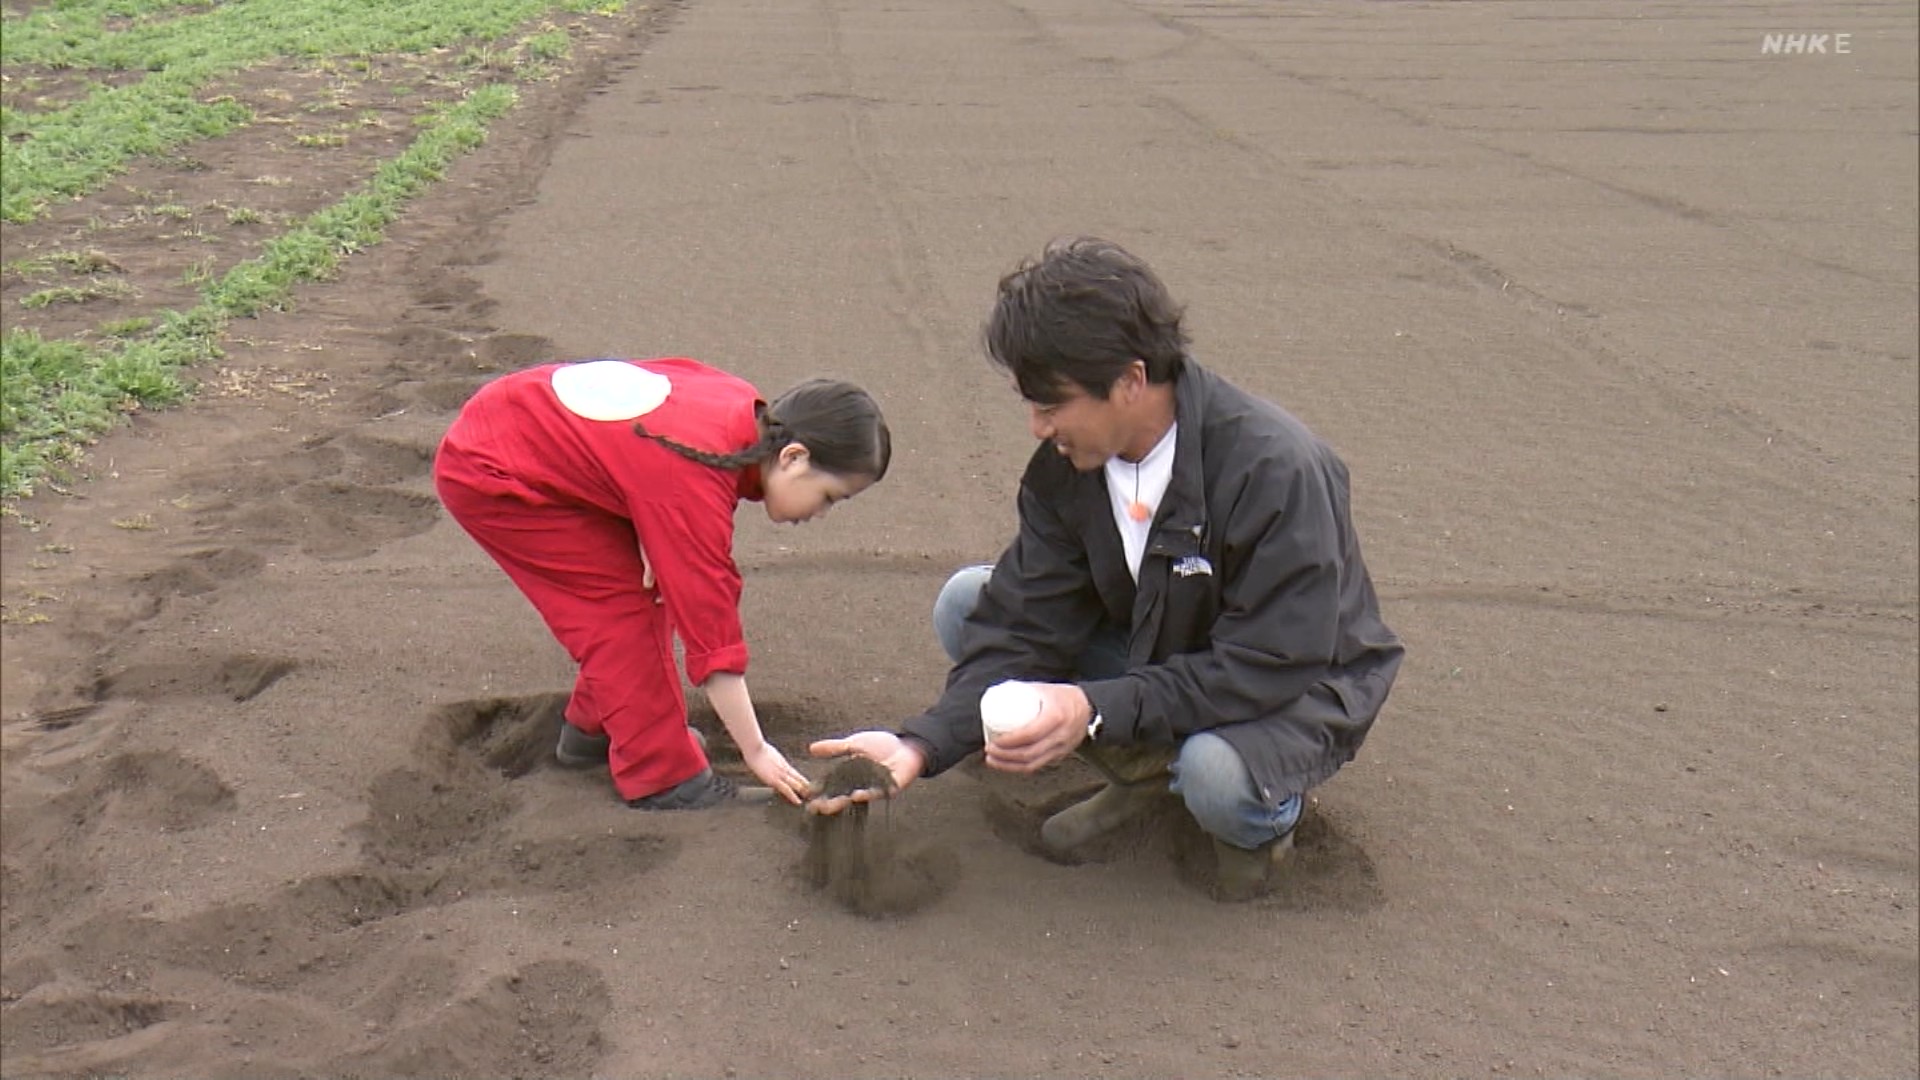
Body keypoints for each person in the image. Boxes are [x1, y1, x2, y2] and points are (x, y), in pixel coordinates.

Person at [808, 237, 1402, 900]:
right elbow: (1022, 624)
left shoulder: (1276, 469)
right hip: (1168, 647)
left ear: (1131, 381)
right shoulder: (1066, 471)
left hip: (1296, 683)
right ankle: (1148, 774)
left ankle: (1260, 825)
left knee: (1215, 773)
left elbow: (1270, 662)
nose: (1037, 428)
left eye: (1051, 405)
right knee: (968, 603)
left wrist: (1092, 707)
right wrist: (921, 745)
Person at [434, 356, 891, 810]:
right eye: (829, 496)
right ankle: (664, 777)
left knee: (646, 591)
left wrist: (651, 522)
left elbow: (641, 446)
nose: (822, 513)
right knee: (620, 613)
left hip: (525, 432)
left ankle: (598, 731)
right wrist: (755, 750)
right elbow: (711, 636)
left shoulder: (739, 412)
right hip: (494, 468)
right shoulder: (694, 482)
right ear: (793, 457)